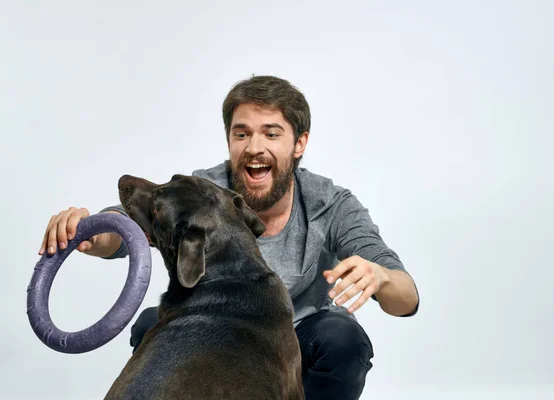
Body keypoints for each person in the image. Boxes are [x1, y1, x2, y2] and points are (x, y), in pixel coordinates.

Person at [38, 75, 420, 400]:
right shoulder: (207, 192)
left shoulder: (331, 204)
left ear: (299, 143)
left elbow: (406, 299)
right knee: (150, 323)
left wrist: (382, 277)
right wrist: (89, 233)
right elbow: (133, 228)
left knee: (343, 339)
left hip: (298, 343)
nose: (254, 147)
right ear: (230, 140)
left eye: (271, 133)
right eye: (242, 134)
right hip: (219, 338)